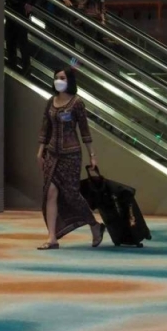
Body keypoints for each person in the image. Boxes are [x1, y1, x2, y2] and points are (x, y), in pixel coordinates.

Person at [36, 67, 105, 250]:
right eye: (56, 77)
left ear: (70, 81)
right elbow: (45, 128)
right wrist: (40, 150)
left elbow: (84, 130)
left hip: (71, 155)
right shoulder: (51, 101)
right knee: (49, 193)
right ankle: (52, 238)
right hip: (51, 154)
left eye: (62, 77)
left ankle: (95, 225)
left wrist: (92, 155)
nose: (58, 80)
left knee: (72, 195)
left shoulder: (77, 103)